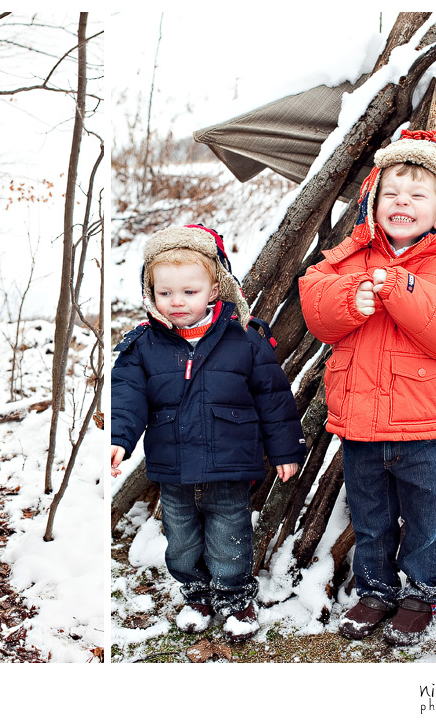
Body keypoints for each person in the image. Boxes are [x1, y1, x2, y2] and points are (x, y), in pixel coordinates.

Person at [299, 129, 436, 645]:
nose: (402, 202)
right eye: (391, 193)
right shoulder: (347, 262)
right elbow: (316, 307)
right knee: (370, 516)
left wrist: (402, 287)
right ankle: (375, 591)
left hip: (420, 428)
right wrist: (351, 297)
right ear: (373, 204)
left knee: (424, 517)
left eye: (417, 195)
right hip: (360, 426)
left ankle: (421, 592)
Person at [111, 224, 306, 641]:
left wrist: (286, 450)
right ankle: (197, 595)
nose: (177, 301)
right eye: (165, 293)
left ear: (215, 289)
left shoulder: (245, 339)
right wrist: (119, 439)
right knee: (181, 541)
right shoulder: (143, 346)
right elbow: (126, 396)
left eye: (189, 291)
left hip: (229, 466)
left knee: (229, 536)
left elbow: (273, 398)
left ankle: (235, 599)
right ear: (150, 292)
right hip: (173, 469)